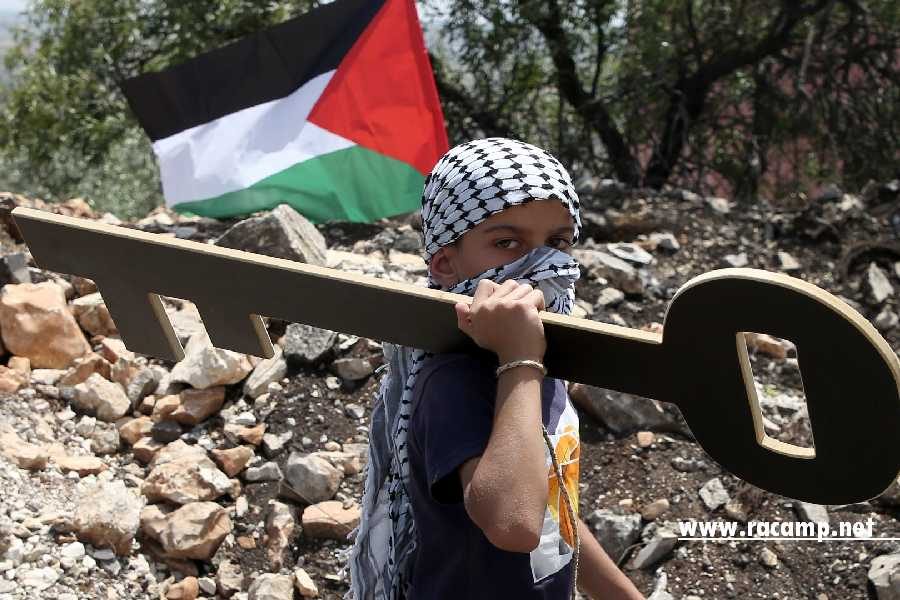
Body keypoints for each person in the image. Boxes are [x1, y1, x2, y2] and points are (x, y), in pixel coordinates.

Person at [342, 137, 645, 600]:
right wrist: (520, 360)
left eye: (558, 242)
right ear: (446, 264)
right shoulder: (457, 379)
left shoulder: (531, 362)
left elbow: (550, 510)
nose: (541, 262)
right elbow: (514, 525)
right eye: (507, 242)